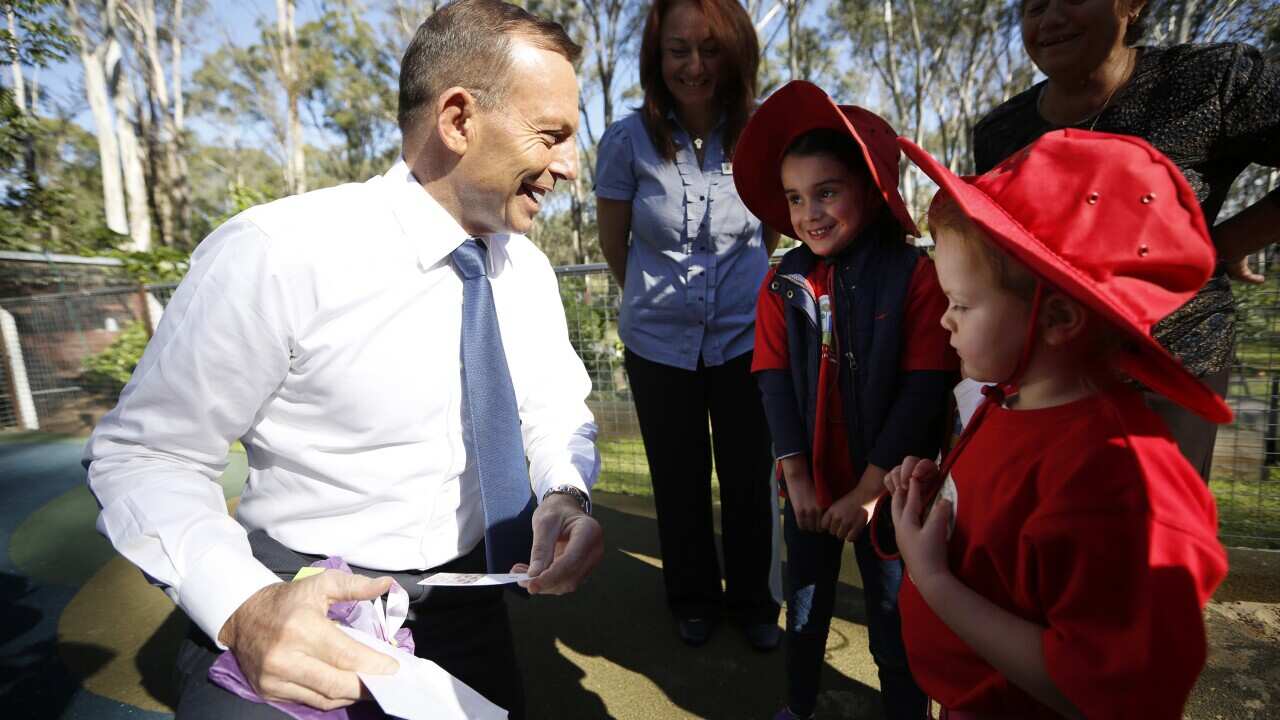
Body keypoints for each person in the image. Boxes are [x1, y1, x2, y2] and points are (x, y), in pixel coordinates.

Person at [82, 2, 603, 718]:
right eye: (553, 136)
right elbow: (146, 456)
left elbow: (553, 412)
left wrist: (564, 495)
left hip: (467, 614)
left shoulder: (532, 276)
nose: (572, 166)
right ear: (458, 120)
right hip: (294, 603)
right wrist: (245, 608)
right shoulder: (277, 253)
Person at [888, 129, 1230, 718]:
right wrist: (930, 504)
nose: (944, 320)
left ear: (1060, 317)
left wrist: (933, 579)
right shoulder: (1009, 400)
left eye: (962, 304)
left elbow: (1110, 691)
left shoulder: (1121, 482)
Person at [971, 0, 1280, 479]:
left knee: (1147, 534)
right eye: (1033, 6)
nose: (1050, 18)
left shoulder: (1208, 81)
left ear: (1131, 5)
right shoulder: (999, 133)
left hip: (1172, 364)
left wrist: (1224, 244)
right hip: (1048, 375)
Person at [733, 80, 957, 720]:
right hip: (809, 491)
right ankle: (799, 707)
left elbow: (924, 389)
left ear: (874, 187)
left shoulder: (918, 276)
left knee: (894, 618)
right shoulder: (783, 282)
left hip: (888, 491)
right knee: (803, 612)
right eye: (795, 197)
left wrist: (870, 489)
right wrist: (797, 476)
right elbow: (772, 379)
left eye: (826, 191)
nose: (809, 213)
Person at [594, 0, 780, 650]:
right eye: (678, 50)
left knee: (749, 476)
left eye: (709, 48)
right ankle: (692, 596)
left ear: (734, 53)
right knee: (678, 478)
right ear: (656, 55)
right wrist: (658, 302)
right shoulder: (625, 141)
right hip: (657, 342)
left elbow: (771, 229)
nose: (694, 65)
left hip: (742, 339)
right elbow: (617, 248)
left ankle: (754, 602)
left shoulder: (760, 134)